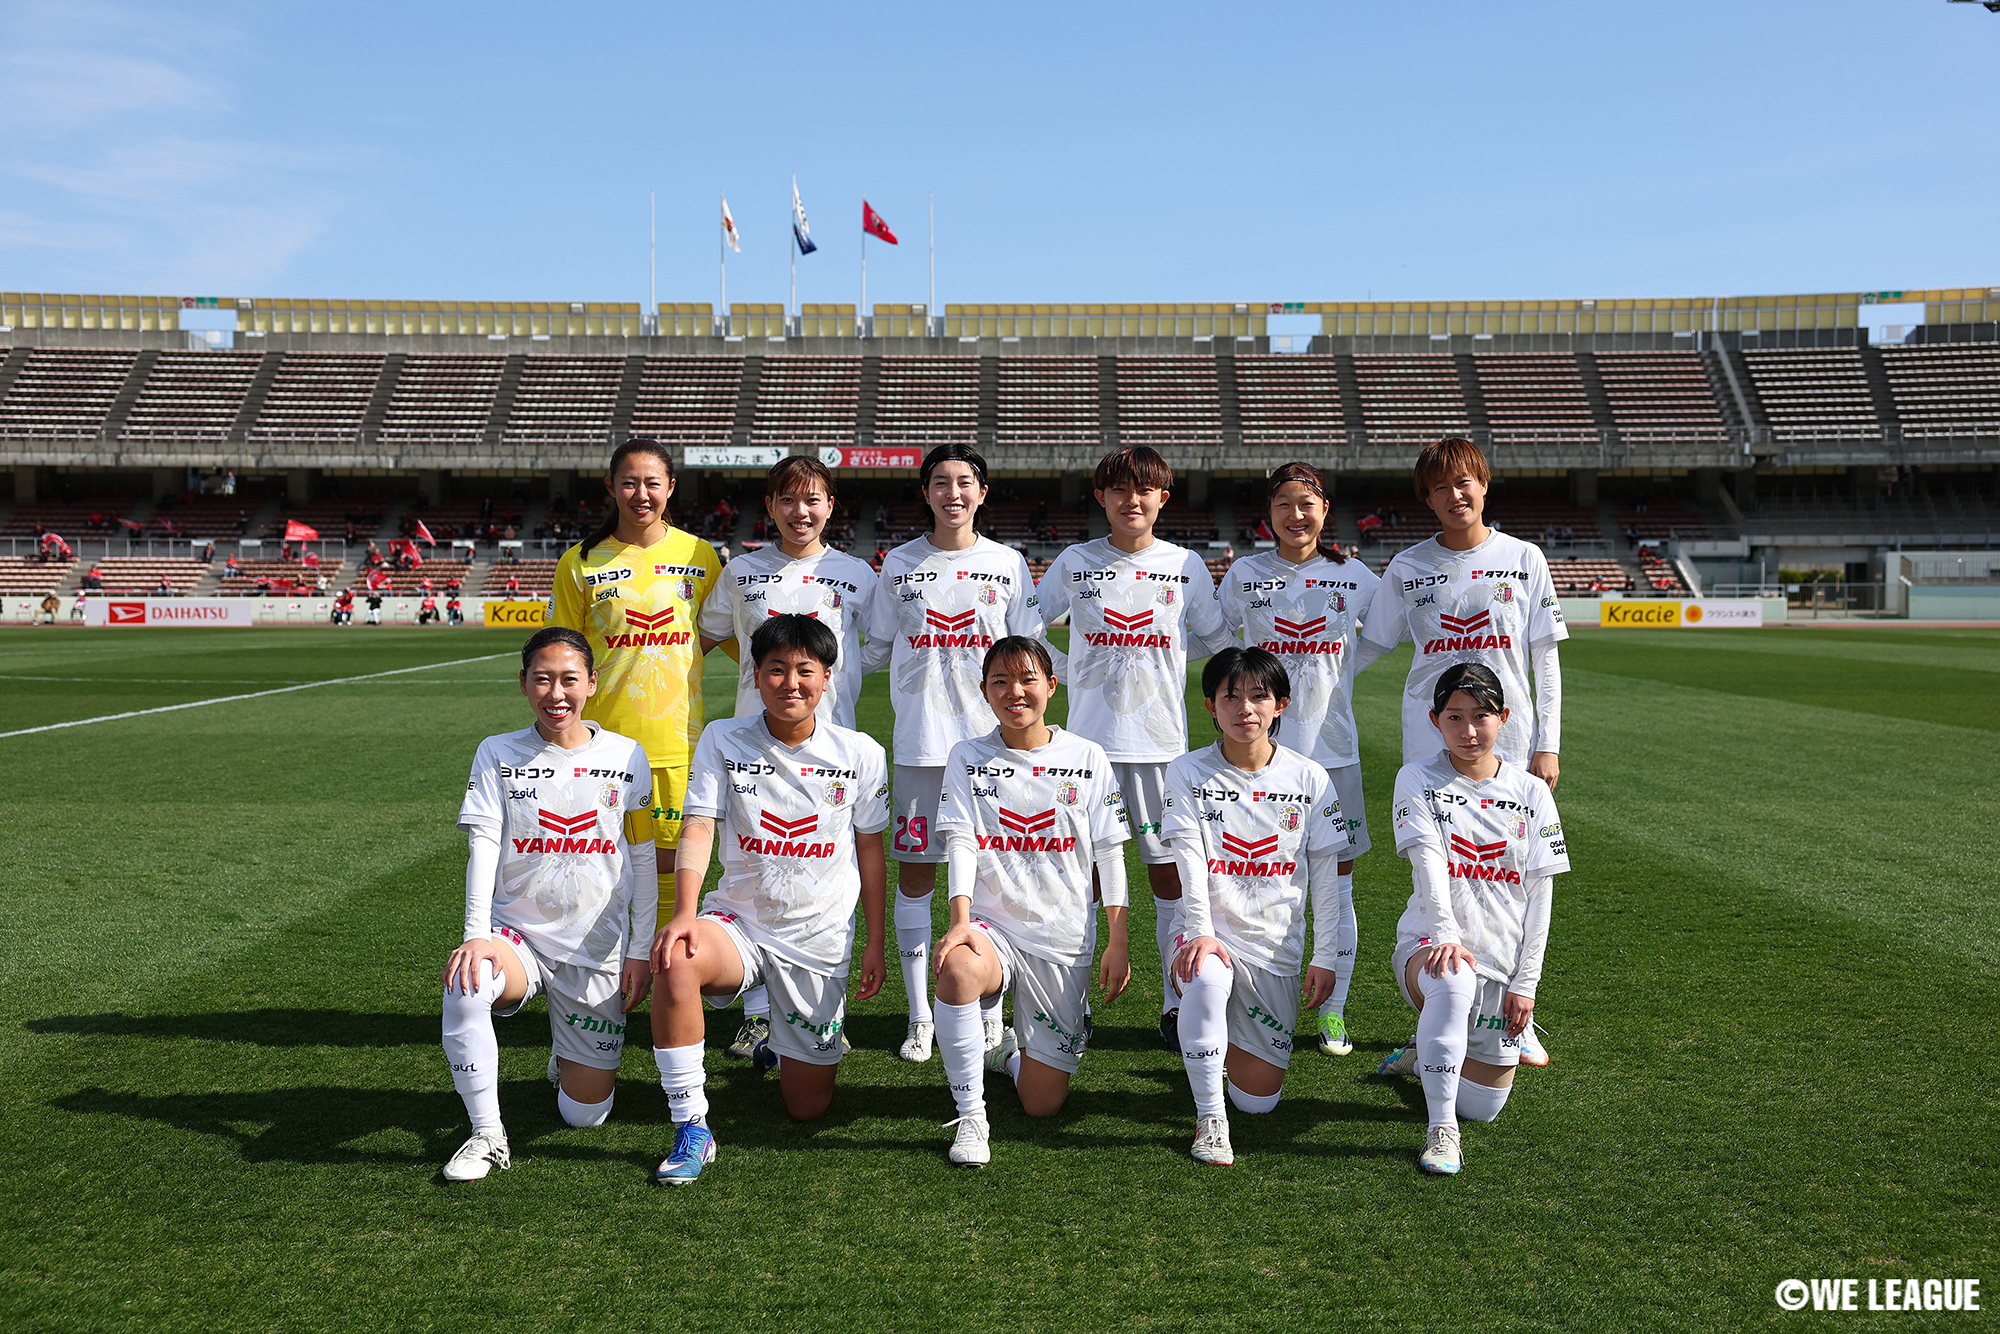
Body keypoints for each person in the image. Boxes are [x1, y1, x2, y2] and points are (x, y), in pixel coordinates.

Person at [648, 615, 889, 1184]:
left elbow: (870, 850)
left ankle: (781, 1044)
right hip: (740, 923)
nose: (790, 683)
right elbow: (699, 826)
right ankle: (691, 1125)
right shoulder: (722, 738)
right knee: (677, 957)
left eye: (805, 670)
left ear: (827, 678)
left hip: (818, 937)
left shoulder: (860, 752)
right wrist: (684, 914)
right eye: (776, 670)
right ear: (755, 676)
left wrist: (875, 940)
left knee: (807, 1108)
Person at [1350, 436, 1566, 1067]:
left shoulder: (1523, 558)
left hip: (1508, 743)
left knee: (1509, 873)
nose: (1455, 495)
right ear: (1427, 499)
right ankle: (1443, 1010)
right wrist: (1293, 683)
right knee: (1440, 871)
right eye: (1440, 487)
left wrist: (1548, 745)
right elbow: (1371, 646)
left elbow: (1544, 658)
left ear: (1484, 484)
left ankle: (1514, 1009)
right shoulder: (1407, 567)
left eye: (1464, 481)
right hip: (1430, 742)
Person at [437, 627, 663, 1181]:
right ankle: (487, 1133)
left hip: (596, 948)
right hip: (518, 937)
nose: (556, 694)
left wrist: (638, 951)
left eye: (568, 679)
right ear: (523, 683)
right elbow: (484, 845)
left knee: (584, 1116)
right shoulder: (497, 752)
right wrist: (476, 936)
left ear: (592, 682)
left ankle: (567, 1056)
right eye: (542, 679)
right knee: (467, 985)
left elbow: (641, 859)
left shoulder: (627, 756)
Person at [861, 444, 1055, 1065]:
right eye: (940, 483)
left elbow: (1029, 650)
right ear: (925, 494)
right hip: (921, 746)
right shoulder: (899, 564)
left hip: (994, 749)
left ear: (982, 493)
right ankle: (921, 1015)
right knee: (918, 876)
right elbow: (873, 647)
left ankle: (988, 1010)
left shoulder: (1007, 562)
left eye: (964, 482)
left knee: (993, 878)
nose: (953, 493)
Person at [1035, 445, 1230, 1052]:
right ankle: (1074, 1003)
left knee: (1169, 876)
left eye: (1144, 490)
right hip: (1087, 753)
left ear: (1162, 499)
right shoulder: (1075, 562)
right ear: (1101, 497)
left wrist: (1173, 668)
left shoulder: (1185, 565)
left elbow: (1216, 640)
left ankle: (1175, 1003)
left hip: (1161, 749)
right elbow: (1026, 628)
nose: (1131, 500)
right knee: (1084, 877)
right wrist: (1066, 670)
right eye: (1119, 489)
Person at [927, 636, 1130, 1166]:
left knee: (1042, 1104)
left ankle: (1007, 1054)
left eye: (1026, 680)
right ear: (984, 691)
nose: (1014, 692)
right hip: (993, 927)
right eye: (1000, 681)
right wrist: (960, 921)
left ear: (1051, 687)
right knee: (958, 969)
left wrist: (1118, 940)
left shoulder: (1087, 757)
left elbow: (1110, 853)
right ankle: (970, 1117)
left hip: (1062, 934)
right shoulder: (967, 756)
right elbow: (962, 840)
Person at [1375, 664, 1568, 1175]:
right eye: (1454, 717)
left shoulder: (1532, 792)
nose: (1468, 730)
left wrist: (1525, 984)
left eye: (1481, 716)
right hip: (1429, 945)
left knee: (1483, 1108)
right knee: (1453, 976)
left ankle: (1424, 1057)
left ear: (1504, 717)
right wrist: (1444, 936)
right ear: (1435, 720)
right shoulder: (1417, 778)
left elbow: (1541, 894)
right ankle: (1441, 1132)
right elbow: (1429, 865)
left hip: (1501, 962)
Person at [1216, 462, 1379, 1057]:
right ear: (1269, 513)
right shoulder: (1245, 574)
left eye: (1306, 503)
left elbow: (1380, 637)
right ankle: (1245, 999)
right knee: (1253, 876)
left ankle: (1334, 1010)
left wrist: (1339, 678)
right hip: (1259, 759)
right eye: (1283, 503)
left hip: (1334, 756)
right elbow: (1217, 639)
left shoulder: (1355, 576)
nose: (1295, 514)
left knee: (1338, 885)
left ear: (1324, 510)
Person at [1165, 648, 1351, 1165]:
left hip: (1276, 949)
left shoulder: (1310, 778)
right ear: (1211, 705)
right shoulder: (1186, 771)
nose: (1244, 708)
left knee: (1258, 1102)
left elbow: (1327, 880)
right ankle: (1209, 1118)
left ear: (1280, 705)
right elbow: (1189, 862)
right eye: (1231, 696)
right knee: (1206, 974)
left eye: (1258, 696)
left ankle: (1213, 1045)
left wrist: (1325, 957)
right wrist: (1200, 931)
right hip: (1209, 933)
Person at [547, 437, 722, 968]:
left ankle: (667, 981)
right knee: (598, 867)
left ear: (671, 488)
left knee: (671, 869)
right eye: (629, 483)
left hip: (677, 744)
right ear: (611, 487)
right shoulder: (580, 561)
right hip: (601, 747)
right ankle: (591, 982)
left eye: (652, 483)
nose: (641, 494)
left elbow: (733, 632)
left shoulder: (699, 555)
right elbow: (560, 653)